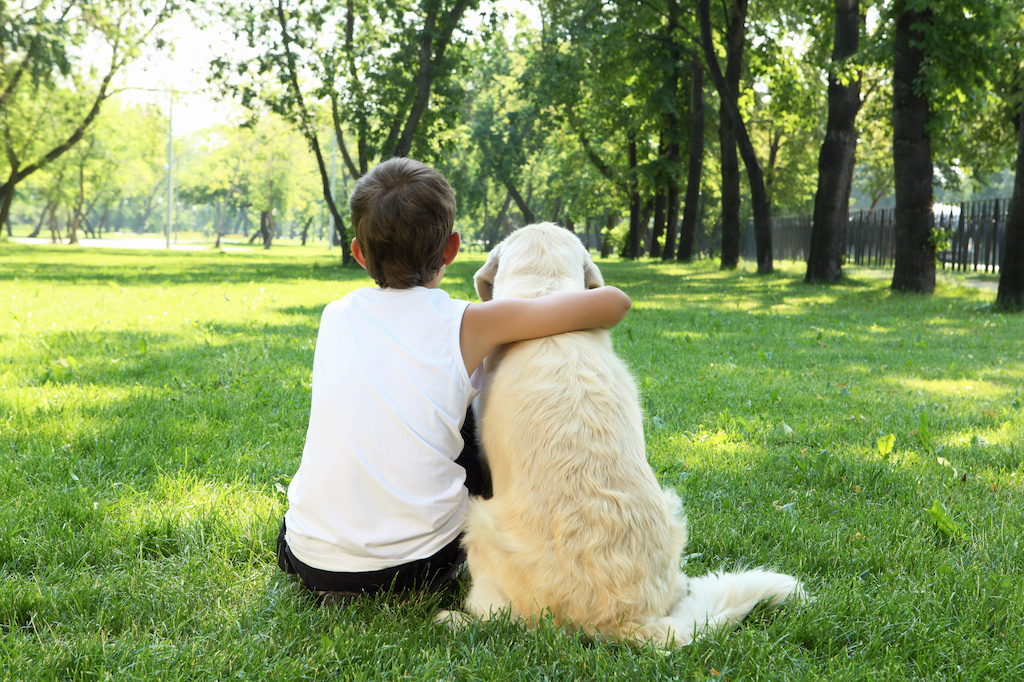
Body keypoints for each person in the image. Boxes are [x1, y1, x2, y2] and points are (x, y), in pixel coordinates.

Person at [276, 157, 631, 602]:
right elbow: (614, 304)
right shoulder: (469, 323)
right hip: (417, 567)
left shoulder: (335, 316)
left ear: (359, 254)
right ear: (452, 249)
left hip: (309, 560)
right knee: (469, 420)